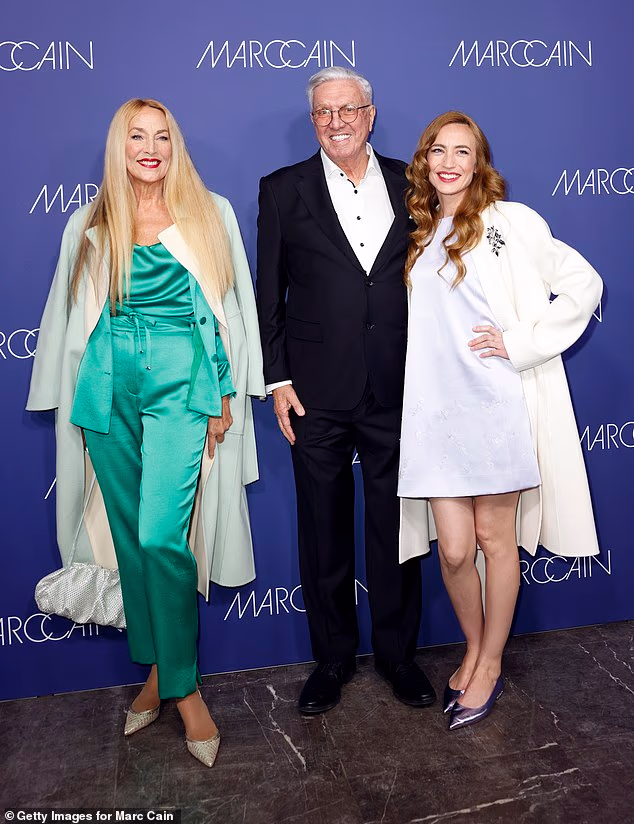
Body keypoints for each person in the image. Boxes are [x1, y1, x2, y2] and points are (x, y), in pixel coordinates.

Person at [27, 98, 265, 766]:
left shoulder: (209, 212)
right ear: (120, 146)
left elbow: (226, 312)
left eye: (162, 136)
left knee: (164, 534)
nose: (150, 148)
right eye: (137, 137)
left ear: (175, 144)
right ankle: (158, 673)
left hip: (180, 384)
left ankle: (185, 693)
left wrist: (223, 395)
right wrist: (70, 397)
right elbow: (70, 317)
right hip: (107, 383)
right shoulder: (92, 220)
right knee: (132, 542)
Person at [398, 111, 602, 729]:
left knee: (494, 540)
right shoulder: (418, 230)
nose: (449, 162)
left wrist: (519, 343)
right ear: (425, 161)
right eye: (439, 150)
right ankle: (473, 643)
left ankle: (488, 662)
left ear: (479, 161)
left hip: (495, 403)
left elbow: (583, 283)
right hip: (434, 412)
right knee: (455, 551)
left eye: (463, 151)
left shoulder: (511, 223)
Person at [256, 67, 435, 715]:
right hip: (315, 391)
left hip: (398, 385)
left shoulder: (411, 184)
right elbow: (267, 293)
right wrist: (276, 379)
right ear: (313, 122)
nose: (336, 121)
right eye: (323, 113)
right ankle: (332, 660)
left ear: (370, 113)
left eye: (347, 109)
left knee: (397, 529)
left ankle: (397, 656)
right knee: (323, 531)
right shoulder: (281, 190)